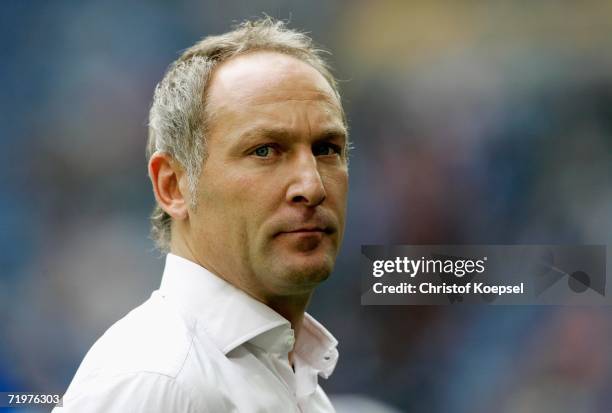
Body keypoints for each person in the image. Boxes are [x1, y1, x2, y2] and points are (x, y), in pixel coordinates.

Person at [54, 17, 349, 412]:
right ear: (172, 186)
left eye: (326, 148)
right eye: (264, 150)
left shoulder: (289, 373)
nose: (312, 186)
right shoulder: (157, 381)